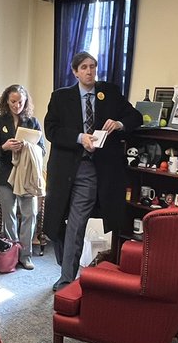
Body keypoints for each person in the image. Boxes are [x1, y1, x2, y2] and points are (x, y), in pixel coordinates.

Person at [43, 52, 140, 291]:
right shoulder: (61, 97)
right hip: (64, 170)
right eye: (84, 67)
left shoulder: (110, 93)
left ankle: (66, 278)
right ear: (75, 71)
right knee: (55, 226)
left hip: (92, 170)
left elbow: (135, 116)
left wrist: (119, 124)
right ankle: (65, 263)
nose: (90, 71)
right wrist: (79, 138)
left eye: (93, 67)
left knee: (76, 224)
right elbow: (51, 130)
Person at [0, 84, 45, 271]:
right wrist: (5, 147)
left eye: (20, 101)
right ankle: (12, 252)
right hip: (5, 175)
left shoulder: (33, 122)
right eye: (13, 101)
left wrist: (28, 147)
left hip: (26, 176)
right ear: (6, 101)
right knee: (9, 215)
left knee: (30, 214)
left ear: (25, 101)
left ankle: (26, 255)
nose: (17, 105)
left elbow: (42, 150)